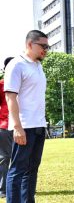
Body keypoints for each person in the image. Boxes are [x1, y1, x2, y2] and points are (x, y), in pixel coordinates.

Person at [4, 30, 49, 203]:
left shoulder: (38, 65)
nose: (45, 50)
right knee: (17, 169)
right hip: (23, 126)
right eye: (43, 46)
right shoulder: (16, 65)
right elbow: (10, 97)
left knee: (32, 169)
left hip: (39, 124)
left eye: (47, 46)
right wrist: (17, 127)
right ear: (29, 44)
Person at [0, 57, 14, 198]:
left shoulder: (23, 85)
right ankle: (3, 190)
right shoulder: (1, 85)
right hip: (4, 126)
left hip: (22, 125)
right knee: (5, 158)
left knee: (22, 158)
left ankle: (20, 187)